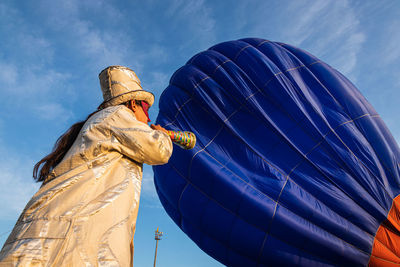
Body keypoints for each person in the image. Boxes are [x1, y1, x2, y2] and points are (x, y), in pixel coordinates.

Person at [0, 66, 173, 266]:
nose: (148, 118)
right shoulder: (117, 115)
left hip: (50, 235)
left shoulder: (100, 121)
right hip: (70, 238)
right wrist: (161, 134)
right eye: (146, 109)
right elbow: (158, 150)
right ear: (133, 104)